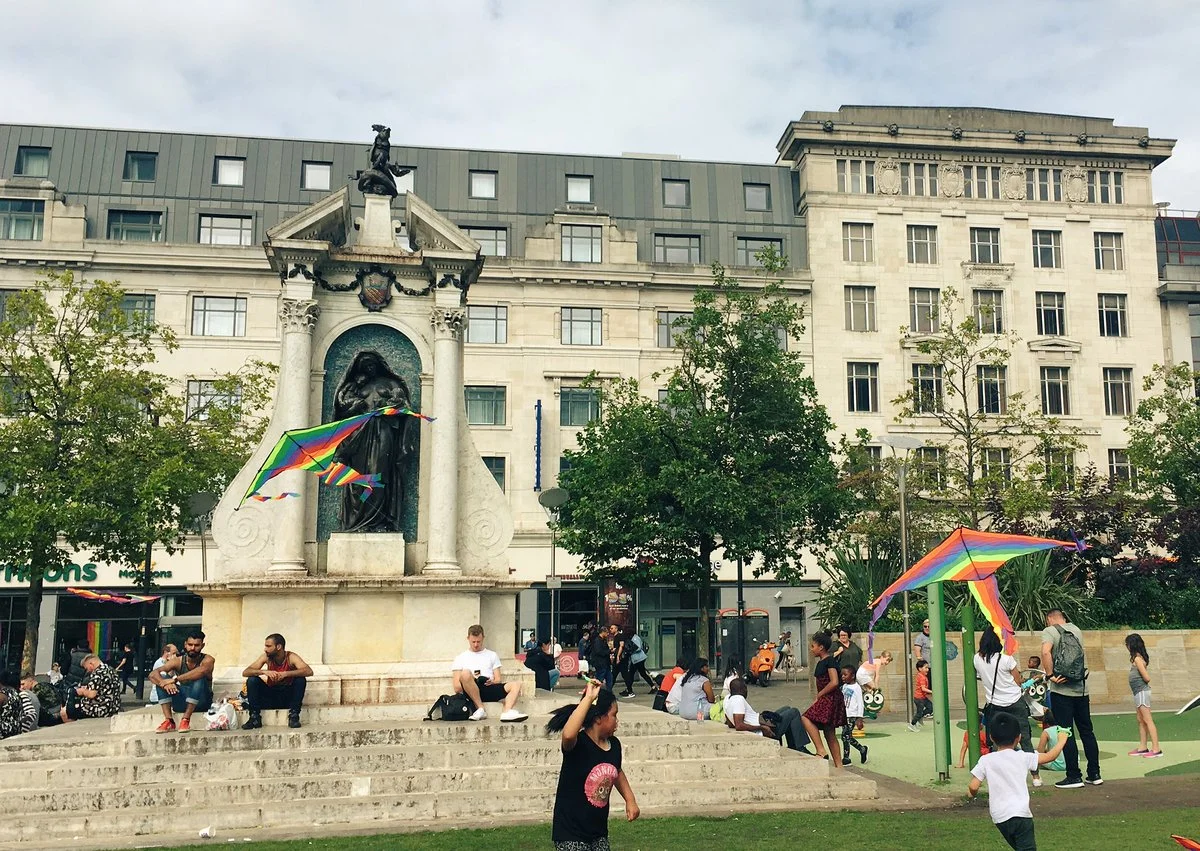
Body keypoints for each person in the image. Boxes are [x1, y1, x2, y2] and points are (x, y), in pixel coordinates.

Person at [546, 680, 639, 850]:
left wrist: (630, 799)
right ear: (598, 718)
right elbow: (567, 735)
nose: (617, 720)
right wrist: (588, 698)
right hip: (570, 833)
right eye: (614, 715)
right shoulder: (578, 744)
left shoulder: (614, 745)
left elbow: (616, 771)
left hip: (598, 832)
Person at [968, 711, 1070, 851]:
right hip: (1021, 814)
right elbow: (1049, 756)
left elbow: (973, 786)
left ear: (991, 737)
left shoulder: (986, 760)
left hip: (999, 817)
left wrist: (972, 794)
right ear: (1019, 737)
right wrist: (1062, 740)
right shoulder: (1023, 757)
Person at [1040, 609, 1101, 789]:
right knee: (1087, 731)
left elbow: (1045, 652)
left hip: (1061, 691)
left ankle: (1074, 776)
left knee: (1065, 733)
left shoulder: (1049, 631)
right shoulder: (1076, 630)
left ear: (1050, 619)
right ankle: (1094, 773)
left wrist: (1050, 675)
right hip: (1081, 690)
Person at [973, 626, 1040, 786]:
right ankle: (1036, 776)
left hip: (995, 704)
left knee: (998, 739)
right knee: (1025, 738)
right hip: (1015, 702)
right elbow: (1017, 681)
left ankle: (999, 775)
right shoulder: (1006, 659)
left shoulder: (977, 659)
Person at [450, 624, 528, 723]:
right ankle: (480, 708)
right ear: (468, 638)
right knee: (465, 673)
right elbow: (457, 687)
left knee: (516, 685)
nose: (476, 644)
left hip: (489, 686)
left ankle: (507, 712)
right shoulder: (460, 657)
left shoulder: (492, 655)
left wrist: (492, 681)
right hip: (470, 689)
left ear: (483, 638)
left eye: (479, 641)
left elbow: (498, 679)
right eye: (473, 642)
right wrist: (472, 680)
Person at [241, 633, 314, 729]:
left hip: (287, 697)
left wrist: (286, 674)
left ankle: (294, 716)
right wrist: (264, 672)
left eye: (268, 646)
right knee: (252, 680)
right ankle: (254, 718)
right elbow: (246, 672)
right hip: (270, 696)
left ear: (279, 646)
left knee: (300, 680)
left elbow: (309, 671)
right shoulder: (266, 657)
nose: (265, 649)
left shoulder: (291, 657)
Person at [148, 630, 214, 732]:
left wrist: (174, 680)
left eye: (196, 645)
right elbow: (153, 674)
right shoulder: (178, 661)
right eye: (190, 644)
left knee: (199, 678)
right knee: (161, 679)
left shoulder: (208, 660)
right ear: (185, 644)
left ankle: (186, 719)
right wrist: (164, 684)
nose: (193, 648)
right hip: (182, 701)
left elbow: (201, 672)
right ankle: (169, 720)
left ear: (202, 645)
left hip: (202, 701)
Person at [724, 677, 812, 753]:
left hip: (760, 720)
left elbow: (730, 723)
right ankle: (800, 747)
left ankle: (793, 745)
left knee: (786, 708)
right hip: (764, 729)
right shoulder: (739, 699)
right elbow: (739, 725)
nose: (746, 691)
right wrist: (762, 728)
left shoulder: (727, 699)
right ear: (741, 689)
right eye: (745, 688)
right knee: (794, 712)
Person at [801, 631, 846, 766]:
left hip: (830, 698)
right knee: (829, 732)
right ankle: (839, 765)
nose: (811, 649)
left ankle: (821, 750)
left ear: (821, 647)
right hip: (828, 698)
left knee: (806, 718)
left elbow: (834, 681)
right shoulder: (822, 662)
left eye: (813, 646)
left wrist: (819, 695)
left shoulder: (829, 661)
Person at [1124, 633, 1161, 758]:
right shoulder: (1136, 658)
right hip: (1138, 693)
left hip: (1142, 692)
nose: (1126, 647)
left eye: (1127, 644)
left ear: (1132, 645)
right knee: (1141, 720)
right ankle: (1143, 747)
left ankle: (1156, 749)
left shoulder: (1138, 659)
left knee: (1147, 720)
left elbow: (1147, 677)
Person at [60, 654, 121, 723]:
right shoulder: (111, 670)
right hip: (112, 707)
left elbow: (92, 694)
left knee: (64, 712)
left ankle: (73, 729)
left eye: (87, 668)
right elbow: (101, 688)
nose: (88, 670)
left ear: (91, 663)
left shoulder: (98, 673)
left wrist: (82, 691)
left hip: (100, 708)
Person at [839, 666, 868, 765]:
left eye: (845, 675)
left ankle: (846, 758)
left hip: (852, 715)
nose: (843, 677)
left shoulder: (856, 688)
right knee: (846, 736)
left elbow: (860, 703)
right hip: (844, 714)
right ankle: (862, 749)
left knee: (845, 735)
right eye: (842, 674)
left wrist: (859, 718)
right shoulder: (844, 686)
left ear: (852, 676)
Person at [619, 628, 656, 697]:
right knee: (642, 673)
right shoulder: (633, 637)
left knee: (631, 674)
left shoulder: (635, 638)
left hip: (638, 659)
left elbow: (638, 647)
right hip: (637, 659)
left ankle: (629, 689)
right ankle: (653, 686)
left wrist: (630, 650)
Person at [0, 672, 37, 738]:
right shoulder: (16, 694)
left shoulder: (3, 695)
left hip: (3, 733)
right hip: (15, 732)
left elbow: (32, 714)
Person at [907, 659, 933, 731]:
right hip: (919, 699)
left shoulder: (922, 676)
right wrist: (932, 692)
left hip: (923, 698)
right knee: (919, 712)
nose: (927, 669)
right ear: (920, 669)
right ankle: (912, 724)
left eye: (928, 668)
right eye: (926, 668)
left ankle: (919, 719)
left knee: (930, 708)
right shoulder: (921, 677)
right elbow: (923, 689)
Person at [585, 626, 612, 693]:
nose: (608, 634)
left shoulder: (602, 640)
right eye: (607, 632)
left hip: (605, 663)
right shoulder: (597, 641)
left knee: (609, 679)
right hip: (600, 663)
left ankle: (609, 694)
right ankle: (595, 692)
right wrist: (609, 651)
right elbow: (599, 651)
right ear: (603, 632)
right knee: (599, 679)